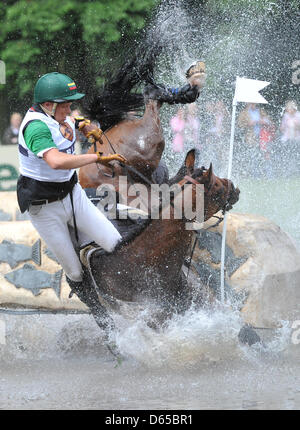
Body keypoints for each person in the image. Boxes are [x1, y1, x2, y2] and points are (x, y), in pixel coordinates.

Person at [17, 72, 126, 333]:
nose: (69, 109)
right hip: (45, 210)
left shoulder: (58, 115)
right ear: (48, 106)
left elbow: (72, 120)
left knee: (116, 244)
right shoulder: (35, 127)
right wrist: (95, 159)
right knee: (75, 273)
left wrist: (84, 124)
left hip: (73, 195)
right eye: (65, 105)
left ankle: (122, 298)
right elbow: (55, 161)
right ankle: (104, 320)